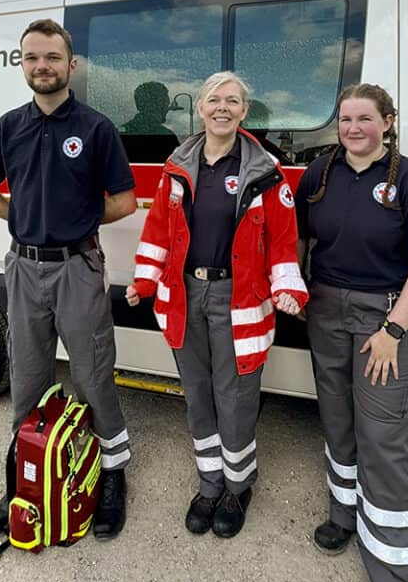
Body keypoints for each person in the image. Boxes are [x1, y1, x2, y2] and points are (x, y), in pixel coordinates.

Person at [0, 18, 137, 540]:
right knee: (27, 376)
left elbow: (124, 201)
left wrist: (77, 226)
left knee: (91, 375)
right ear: (23, 64)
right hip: (22, 267)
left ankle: (112, 474)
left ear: (72, 65)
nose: (42, 66)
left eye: (52, 58)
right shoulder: (9, 126)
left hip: (77, 268)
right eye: (32, 57)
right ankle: (23, 479)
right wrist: (22, 223)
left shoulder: (95, 128)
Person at [294, 83, 408, 582]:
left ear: (387, 122)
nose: (353, 128)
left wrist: (393, 331)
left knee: (384, 437)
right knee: (337, 421)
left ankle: (392, 580)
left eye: (365, 118)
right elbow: (302, 240)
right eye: (345, 118)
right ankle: (344, 512)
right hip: (328, 311)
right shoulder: (321, 174)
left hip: (387, 321)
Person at [126, 72, 307, 537]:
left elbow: (284, 240)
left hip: (238, 298)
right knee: (198, 393)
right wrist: (144, 282)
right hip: (185, 294)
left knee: (236, 395)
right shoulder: (177, 166)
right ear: (201, 109)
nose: (222, 107)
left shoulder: (265, 171)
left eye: (232, 101)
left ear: (244, 112)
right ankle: (210, 483)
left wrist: (288, 288)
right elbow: (159, 232)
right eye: (214, 100)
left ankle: (238, 485)